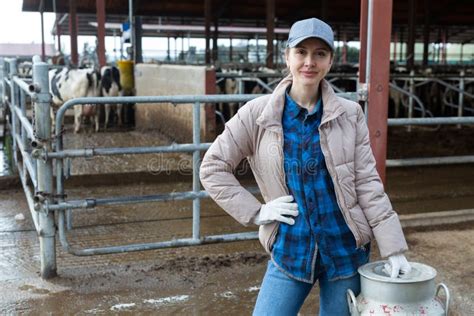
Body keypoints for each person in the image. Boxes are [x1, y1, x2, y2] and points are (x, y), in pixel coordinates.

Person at [200, 17, 411, 315]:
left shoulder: (350, 115)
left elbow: (367, 184)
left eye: (320, 54)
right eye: (301, 52)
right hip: (290, 249)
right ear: (287, 56)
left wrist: (394, 247)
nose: (309, 62)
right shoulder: (257, 114)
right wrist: (257, 211)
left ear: (330, 61)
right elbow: (212, 168)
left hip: (344, 250)